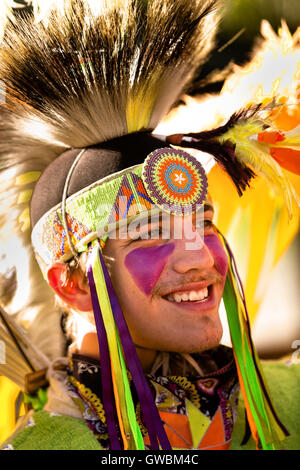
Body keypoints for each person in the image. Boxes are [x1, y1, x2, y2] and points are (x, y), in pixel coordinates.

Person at [0, 0, 299, 451]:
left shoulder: (287, 402)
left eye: (204, 224)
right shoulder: (52, 445)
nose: (200, 255)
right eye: (151, 233)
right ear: (72, 283)